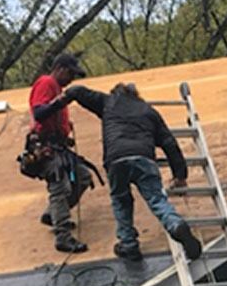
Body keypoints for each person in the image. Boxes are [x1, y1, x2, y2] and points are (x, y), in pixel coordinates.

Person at [65, 81, 202, 262]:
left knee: (121, 201)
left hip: (116, 159)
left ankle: (129, 244)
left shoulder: (108, 102)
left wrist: (58, 104)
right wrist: (180, 175)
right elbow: (169, 143)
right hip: (144, 158)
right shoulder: (148, 111)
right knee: (156, 199)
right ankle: (176, 225)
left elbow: (77, 91)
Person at [28, 52, 93, 254]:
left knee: (83, 177)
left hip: (58, 145)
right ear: (61, 69)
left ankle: (52, 215)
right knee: (59, 187)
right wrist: (63, 101)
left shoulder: (56, 89)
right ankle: (62, 236)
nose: (71, 79)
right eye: (71, 74)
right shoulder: (46, 83)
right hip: (46, 147)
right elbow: (39, 112)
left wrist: (64, 133)